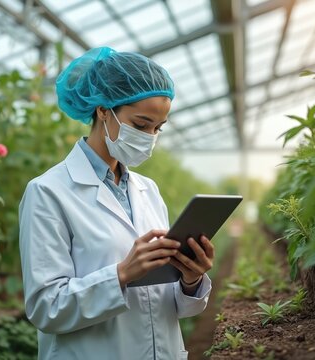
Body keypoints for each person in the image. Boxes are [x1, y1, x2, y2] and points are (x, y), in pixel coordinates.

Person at [19, 46, 214, 360]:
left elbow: (167, 304)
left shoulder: (147, 190)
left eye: (157, 128)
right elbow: (46, 307)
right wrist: (121, 273)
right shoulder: (48, 192)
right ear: (103, 110)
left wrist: (190, 280)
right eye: (140, 125)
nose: (150, 137)